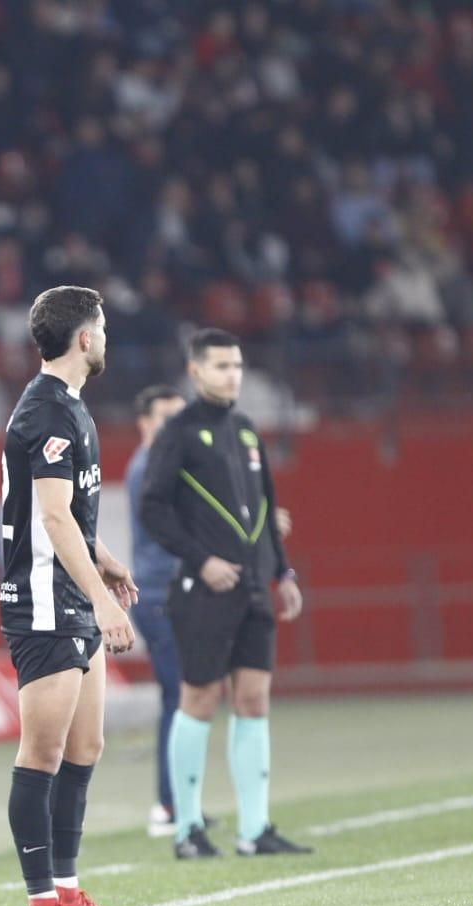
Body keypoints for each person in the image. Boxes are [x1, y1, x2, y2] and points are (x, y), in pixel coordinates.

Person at [140, 328, 312, 859]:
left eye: (236, 366)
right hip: (201, 590)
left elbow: (264, 507)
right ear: (195, 372)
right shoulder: (179, 433)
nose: (231, 375)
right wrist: (201, 561)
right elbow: (152, 507)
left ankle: (254, 829)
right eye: (220, 367)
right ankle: (188, 828)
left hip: (253, 590)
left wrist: (281, 573)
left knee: (254, 699)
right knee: (199, 699)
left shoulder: (244, 430)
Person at [0, 285, 136, 906]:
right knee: (44, 750)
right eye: (102, 328)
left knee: (86, 745)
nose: (105, 338)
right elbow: (51, 518)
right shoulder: (48, 411)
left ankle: (69, 889)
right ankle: (38, 903)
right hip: (45, 601)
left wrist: (105, 556)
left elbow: (71, 512)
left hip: (72, 593)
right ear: (85, 337)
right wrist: (103, 599)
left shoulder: (72, 407)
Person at [125, 385, 189, 837]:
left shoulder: (160, 465)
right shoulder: (150, 468)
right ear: (144, 422)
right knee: (179, 696)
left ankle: (180, 798)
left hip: (169, 589)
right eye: (166, 416)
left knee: (185, 696)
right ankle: (168, 803)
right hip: (160, 592)